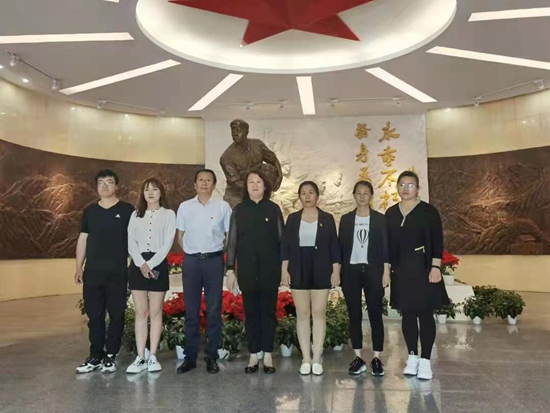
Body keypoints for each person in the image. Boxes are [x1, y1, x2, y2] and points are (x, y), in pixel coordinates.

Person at [385, 171, 449, 380]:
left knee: (425, 313)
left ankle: (425, 360)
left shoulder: (428, 211)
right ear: (397, 187)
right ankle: (412, 357)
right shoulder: (391, 213)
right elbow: (386, 245)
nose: (405, 189)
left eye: (410, 185)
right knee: (408, 314)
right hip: (401, 271)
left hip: (423, 269)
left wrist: (436, 267)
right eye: (402, 185)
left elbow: (437, 241)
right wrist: (387, 270)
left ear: (418, 188)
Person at [75, 169, 135, 374]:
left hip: (117, 272)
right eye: (101, 182)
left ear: (116, 186)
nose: (105, 186)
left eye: (109, 182)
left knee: (117, 314)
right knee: (94, 316)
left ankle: (111, 354)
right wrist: (78, 267)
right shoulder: (90, 211)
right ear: (96, 186)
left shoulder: (127, 210)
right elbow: (83, 239)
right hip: (93, 272)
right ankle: (95, 355)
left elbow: (135, 240)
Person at [226, 170, 284, 374]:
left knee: (268, 312)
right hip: (247, 269)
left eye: (259, 182)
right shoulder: (239, 210)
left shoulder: (273, 209)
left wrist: (284, 267)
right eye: (251, 182)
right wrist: (230, 269)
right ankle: (253, 354)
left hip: (270, 269)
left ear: (265, 186)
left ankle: (267, 354)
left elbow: (282, 240)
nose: (255, 185)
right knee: (250, 312)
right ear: (246, 187)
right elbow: (232, 242)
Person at [175, 169, 232, 374]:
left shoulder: (223, 207)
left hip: (214, 262)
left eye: (208, 180)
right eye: (201, 180)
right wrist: (193, 252)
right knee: (191, 310)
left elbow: (229, 236)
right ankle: (190, 357)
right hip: (191, 262)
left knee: (214, 310)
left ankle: (211, 356)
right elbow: (180, 236)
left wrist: (216, 252)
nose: (204, 183)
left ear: (214, 185)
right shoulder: (185, 207)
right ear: (194, 184)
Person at [281, 181, 341, 376]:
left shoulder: (327, 218)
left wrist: (336, 271)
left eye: (311, 192)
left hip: (322, 267)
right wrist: (284, 270)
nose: (307, 196)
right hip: (298, 267)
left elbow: (334, 246)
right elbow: (286, 247)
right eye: (303, 193)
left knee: (319, 312)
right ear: (299, 196)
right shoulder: (293, 219)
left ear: (317, 196)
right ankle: (306, 358)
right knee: (303, 313)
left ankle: (317, 358)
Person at [339, 181, 390, 376]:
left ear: (371, 196)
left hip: (373, 270)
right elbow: (340, 248)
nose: (362, 196)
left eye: (366, 193)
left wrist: (386, 271)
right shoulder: (346, 220)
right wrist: (337, 271)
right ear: (354, 195)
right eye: (359, 193)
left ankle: (377, 358)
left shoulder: (379, 219)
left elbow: (385, 247)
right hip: (350, 272)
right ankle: (358, 357)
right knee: (354, 315)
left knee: (375, 313)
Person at [126, 178, 176, 374]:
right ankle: (140, 357)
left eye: (155, 189)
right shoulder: (135, 214)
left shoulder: (169, 214)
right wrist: (141, 264)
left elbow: (168, 242)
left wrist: (151, 264)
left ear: (161, 192)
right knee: (141, 313)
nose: (151, 193)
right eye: (147, 190)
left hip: (158, 263)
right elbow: (131, 240)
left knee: (155, 313)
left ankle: (153, 356)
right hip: (138, 264)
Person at [219, 119, 283, 208]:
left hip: (257, 191)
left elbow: (273, 159)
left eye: (239, 130)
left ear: (246, 132)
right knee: (238, 214)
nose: (235, 133)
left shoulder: (257, 144)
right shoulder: (226, 157)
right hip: (236, 195)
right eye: (233, 130)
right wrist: (258, 189)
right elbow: (236, 183)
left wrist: (279, 176)